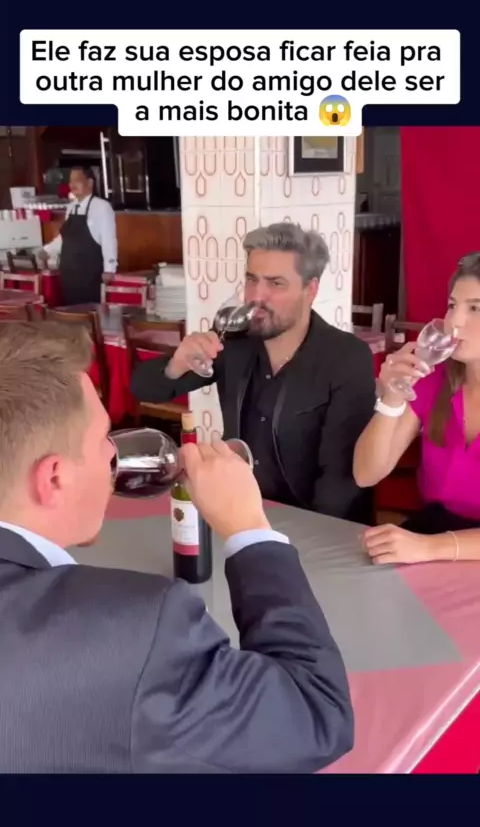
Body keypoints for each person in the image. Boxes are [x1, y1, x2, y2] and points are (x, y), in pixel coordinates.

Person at [0, 320, 354, 773]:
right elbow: (316, 714)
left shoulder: (338, 356)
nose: (113, 454)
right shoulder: (134, 631)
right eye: (104, 437)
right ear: (54, 478)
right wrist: (248, 527)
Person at [131, 222, 377, 524]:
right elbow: (144, 389)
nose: (257, 296)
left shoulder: (346, 357)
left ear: (310, 290)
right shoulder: (233, 340)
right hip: (237, 510)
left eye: (276, 283)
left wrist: (304, 537)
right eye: (251, 279)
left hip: (310, 522)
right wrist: (177, 364)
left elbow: (339, 483)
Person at [354, 252, 480, 565]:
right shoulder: (435, 379)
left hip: (446, 546)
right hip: (435, 530)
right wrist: (392, 399)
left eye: (475, 308)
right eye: (452, 305)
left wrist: (428, 548)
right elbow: (366, 474)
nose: (454, 322)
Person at [38, 165, 118, 305]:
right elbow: (65, 238)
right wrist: (47, 250)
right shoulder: (71, 207)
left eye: (77, 180)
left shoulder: (102, 207)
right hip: (69, 274)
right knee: (70, 312)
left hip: (90, 274)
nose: (72, 184)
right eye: (70, 181)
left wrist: (109, 269)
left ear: (90, 182)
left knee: (89, 312)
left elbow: (109, 240)